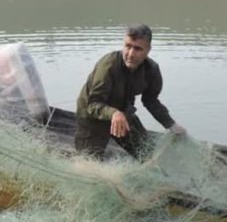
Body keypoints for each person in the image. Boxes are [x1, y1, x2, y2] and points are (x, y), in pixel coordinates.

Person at [75, 25, 186, 159]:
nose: (131, 54)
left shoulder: (152, 70)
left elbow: (150, 101)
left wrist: (170, 124)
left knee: (148, 155)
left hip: (122, 113)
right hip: (92, 117)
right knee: (89, 163)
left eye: (138, 49)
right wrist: (114, 113)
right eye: (128, 46)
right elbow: (93, 104)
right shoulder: (109, 65)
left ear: (148, 50)